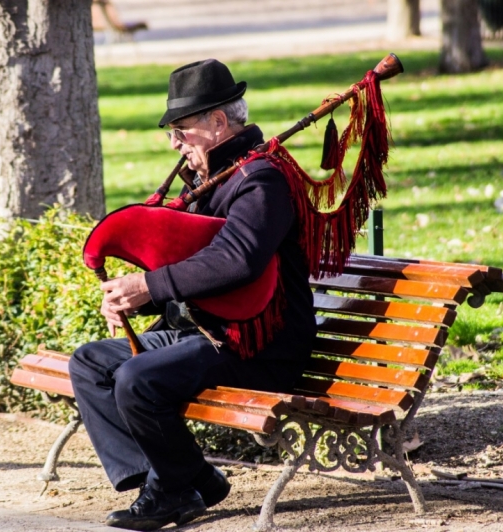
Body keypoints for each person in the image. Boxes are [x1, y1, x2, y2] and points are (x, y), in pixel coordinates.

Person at [68, 59, 317, 531]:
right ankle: (177, 481)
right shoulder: (215, 179)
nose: (175, 144)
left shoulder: (260, 179)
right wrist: (133, 293)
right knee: (90, 364)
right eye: (172, 134)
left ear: (219, 123)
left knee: (138, 380)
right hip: (201, 331)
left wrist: (148, 286)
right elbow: (188, 261)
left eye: (181, 131)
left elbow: (236, 260)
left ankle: (176, 486)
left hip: (257, 342)